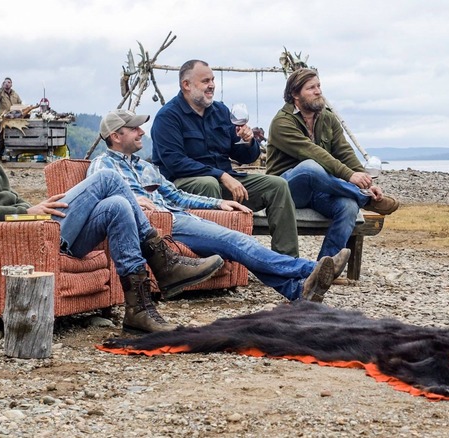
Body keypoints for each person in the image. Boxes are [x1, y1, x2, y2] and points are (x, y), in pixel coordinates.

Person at [0, 97, 225, 334]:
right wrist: (27, 213)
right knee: (108, 180)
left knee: (117, 206)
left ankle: (139, 310)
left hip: (37, 229)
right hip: (21, 235)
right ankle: (164, 261)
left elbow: (10, 199)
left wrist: (33, 206)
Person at [92, 109, 351, 303]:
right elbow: (97, 201)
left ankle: (298, 292)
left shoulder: (145, 166)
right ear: (116, 136)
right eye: (134, 128)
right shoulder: (103, 165)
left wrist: (219, 202)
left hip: (178, 217)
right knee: (236, 242)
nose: (141, 132)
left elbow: (178, 196)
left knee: (237, 244)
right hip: (158, 225)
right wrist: (131, 199)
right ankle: (311, 268)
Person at [151, 59, 299, 258]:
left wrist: (248, 142)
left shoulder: (220, 111)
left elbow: (246, 156)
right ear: (186, 85)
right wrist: (220, 175)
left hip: (224, 179)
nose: (211, 85)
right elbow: (175, 162)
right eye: (205, 81)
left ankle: (287, 261)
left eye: (212, 80)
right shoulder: (167, 117)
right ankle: (216, 258)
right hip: (183, 187)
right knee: (208, 184)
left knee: (277, 186)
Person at [266, 68, 400, 260]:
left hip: (319, 189)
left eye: (319, 86)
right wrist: (351, 179)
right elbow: (313, 153)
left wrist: (367, 183)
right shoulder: (282, 122)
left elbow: (344, 152)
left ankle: (326, 267)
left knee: (348, 206)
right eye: (311, 88)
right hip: (286, 190)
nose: (318, 91)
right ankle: (365, 199)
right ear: (295, 94)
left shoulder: (327, 118)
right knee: (311, 166)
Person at [0, 77, 23, 161]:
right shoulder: (0, 94)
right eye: (5, 82)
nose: (7, 84)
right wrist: (1, 88)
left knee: (14, 137)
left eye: (9, 82)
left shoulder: (15, 94)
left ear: (11, 84)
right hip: (3, 119)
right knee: (2, 138)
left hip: (13, 119)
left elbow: (20, 103)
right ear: (3, 84)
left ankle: (13, 155)